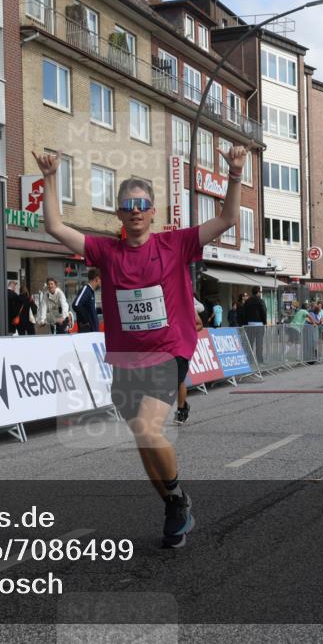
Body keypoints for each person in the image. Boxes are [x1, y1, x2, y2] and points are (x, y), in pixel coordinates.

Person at [33, 143, 246, 548]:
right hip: (126, 358)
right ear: (118, 213)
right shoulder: (105, 251)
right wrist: (50, 178)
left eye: (142, 204)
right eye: (128, 205)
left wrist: (234, 174)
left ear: (152, 212)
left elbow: (227, 219)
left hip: (169, 350)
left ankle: (178, 499)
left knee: (149, 429)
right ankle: (173, 504)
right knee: (142, 440)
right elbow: (55, 227)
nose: (135, 210)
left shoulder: (174, 244)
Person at [174, 298, 204, 424]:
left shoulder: (186, 305)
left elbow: (199, 325)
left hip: (181, 349)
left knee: (178, 380)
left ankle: (182, 410)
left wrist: (185, 332)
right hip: (163, 348)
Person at [240, 285, 268, 366]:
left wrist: (245, 323)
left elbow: (243, 313)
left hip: (249, 325)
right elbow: (264, 312)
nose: (260, 294)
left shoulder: (247, 301)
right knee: (259, 344)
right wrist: (264, 322)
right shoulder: (260, 301)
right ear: (258, 292)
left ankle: (250, 360)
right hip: (259, 325)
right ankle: (259, 361)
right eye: (260, 292)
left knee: (250, 343)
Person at [72, 269, 101, 333]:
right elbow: (76, 305)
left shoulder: (91, 292)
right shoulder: (86, 289)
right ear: (96, 279)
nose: (101, 282)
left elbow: (89, 310)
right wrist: (87, 320)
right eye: (100, 279)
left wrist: (99, 310)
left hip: (93, 332)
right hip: (87, 332)